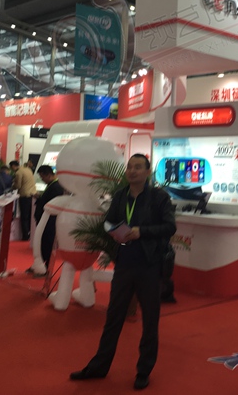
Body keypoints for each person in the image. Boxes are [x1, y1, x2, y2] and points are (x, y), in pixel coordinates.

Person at [70, 154, 176, 390]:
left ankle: (144, 370)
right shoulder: (120, 196)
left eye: (138, 167)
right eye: (129, 167)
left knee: (150, 321)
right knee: (113, 318)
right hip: (124, 264)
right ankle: (99, 366)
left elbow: (170, 227)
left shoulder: (158, 197)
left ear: (147, 172)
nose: (132, 171)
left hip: (149, 266)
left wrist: (141, 231)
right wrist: (114, 232)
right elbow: (108, 222)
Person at [31, 165, 65, 270]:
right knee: (43, 243)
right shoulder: (52, 185)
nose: (42, 179)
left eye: (42, 177)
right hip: (44, 219)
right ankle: (41, 265)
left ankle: (46, 267)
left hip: (49, 221)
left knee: (47, 243)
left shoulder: (56, 187)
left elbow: (52, 204)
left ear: (48, 175)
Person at [10, 159, 36, 240]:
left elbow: (18, 185)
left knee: (24, 217)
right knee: (30, 216)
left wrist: (12, 186)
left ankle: (25, 235)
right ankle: (30, 233)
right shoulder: (28, 170)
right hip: (32, 195)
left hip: (24, 195)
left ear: (13, 166)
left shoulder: (19, 172)